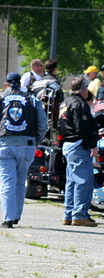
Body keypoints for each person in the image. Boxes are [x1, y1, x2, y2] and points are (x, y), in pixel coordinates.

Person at [0, 72, 47, 228]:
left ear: (6, 84)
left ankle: (9, 217)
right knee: (20, 182)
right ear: (20, 84)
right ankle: (17, 215)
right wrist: (37, 140)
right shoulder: (32, 100)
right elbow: (43, 124)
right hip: (26, 145)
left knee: (7, 183)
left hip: (4, 144)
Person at [58, 77, 99, 227]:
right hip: (78, 145)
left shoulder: (66, 102)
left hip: (68, 144)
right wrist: (93, 145)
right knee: (84, 181)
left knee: (72, 182)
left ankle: (68, 214)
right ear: (83, 89)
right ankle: (80, 215)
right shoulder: (79, 104)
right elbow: (82, 127)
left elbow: (59, 125)